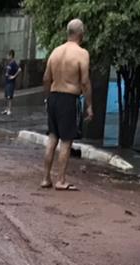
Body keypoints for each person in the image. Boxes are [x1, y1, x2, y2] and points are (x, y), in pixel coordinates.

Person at [41, 19, 92, 191]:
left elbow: (46, 78)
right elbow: (85, 82)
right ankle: (61, 180)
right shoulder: (82, 54)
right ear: (81, 34)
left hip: (54, 97)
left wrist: (47, 98)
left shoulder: (55, 51)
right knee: (66, 141)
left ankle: (46, 178)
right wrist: (89, 105)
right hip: (68, 99)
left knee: (52, 138)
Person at [3, 51, 21, 115]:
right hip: (7, 81)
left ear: (11, 55)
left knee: (9, 97)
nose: (7, 57)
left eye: (8, 55)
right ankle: (6, 109)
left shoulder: (13, 63)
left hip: (11, 82)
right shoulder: (9, 63)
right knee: (6, 96)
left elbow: (19, 70)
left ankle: (9, 110)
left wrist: (14, 76)